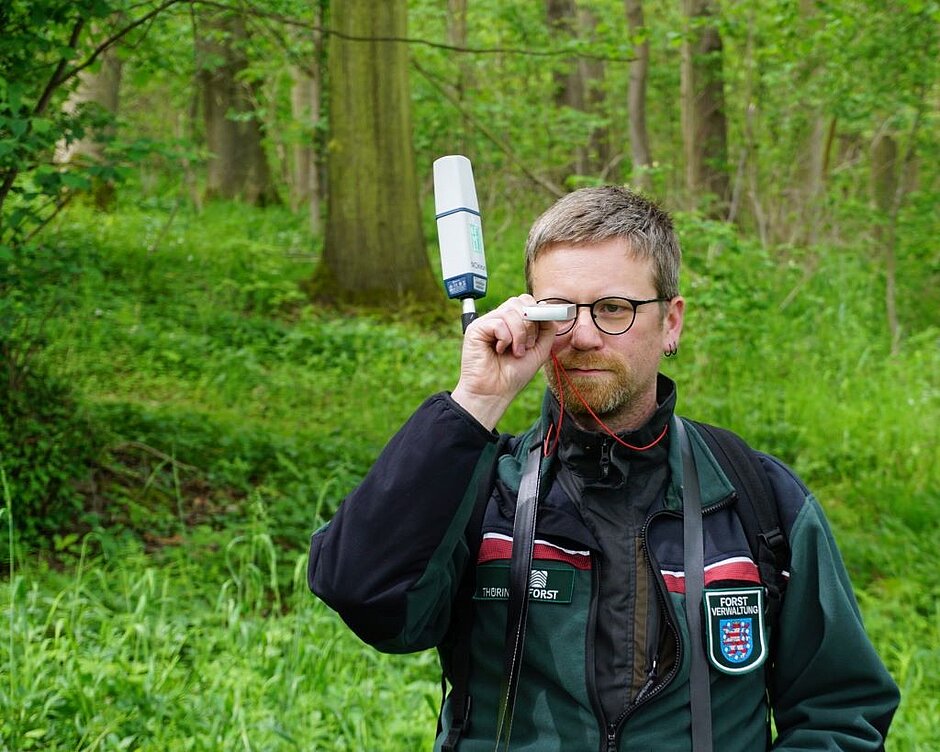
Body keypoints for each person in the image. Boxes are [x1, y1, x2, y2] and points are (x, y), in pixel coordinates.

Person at [308, 186, 899, 750]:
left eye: (613, 308)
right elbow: (366, 597)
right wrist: (477, 401)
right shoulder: (480, 487)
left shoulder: (754, 498)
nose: (584, 336)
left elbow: (840, 709)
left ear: (671, 322)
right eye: (560, 311)